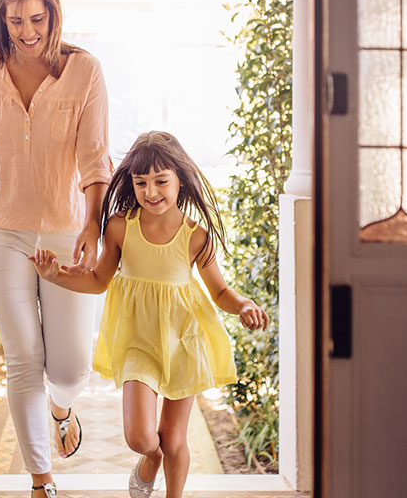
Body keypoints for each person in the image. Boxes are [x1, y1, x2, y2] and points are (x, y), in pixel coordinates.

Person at [29, 131, 269, 498]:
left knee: (174, 439)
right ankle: (150, 458)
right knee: (140, 436)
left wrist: (244, 305)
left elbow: (220, 291)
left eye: (161, 181)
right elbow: (97, 281)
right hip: (138, 340)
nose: (151, 191)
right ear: (132, 184)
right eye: (141, 183)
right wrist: (54, 275)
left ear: (180, 181)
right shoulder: (121, 227)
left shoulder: (195, 236)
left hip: (184, 340)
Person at [0, 0, 112, 498]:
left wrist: (92, 222)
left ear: (53, 13)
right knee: (22, 358)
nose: (27, 31)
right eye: (15, 19)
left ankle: (62, 407)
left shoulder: (84, 71)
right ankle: (41, 482)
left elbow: (95, 160)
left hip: (67, 233)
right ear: (1, 17)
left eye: (37, 19)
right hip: (2, 233)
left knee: (69, 368)